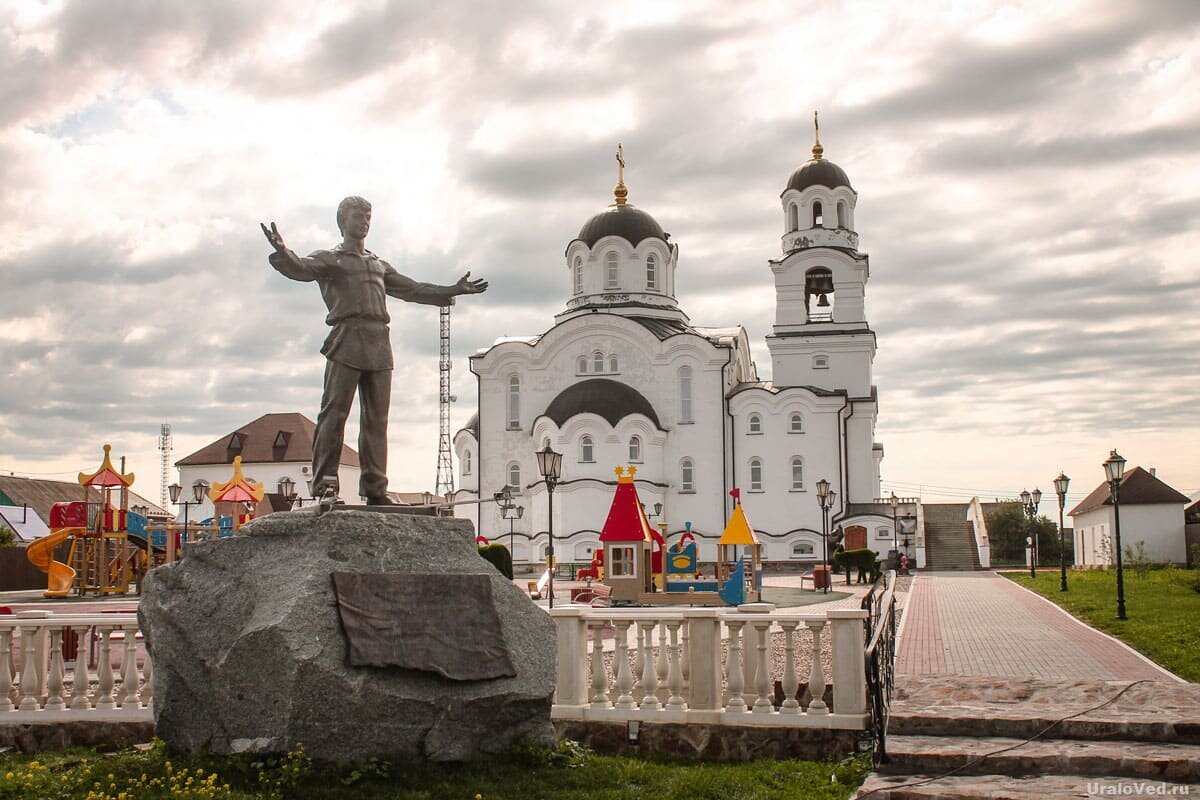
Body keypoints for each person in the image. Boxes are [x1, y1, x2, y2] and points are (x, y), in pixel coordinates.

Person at [262, 196, 487, 505]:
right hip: (347, 336)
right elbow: (301, 268)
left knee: (376, 419)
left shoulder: (376, 263)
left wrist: (452, 290)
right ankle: (326, 485)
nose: (364, 221)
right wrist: (284, 252)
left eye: (368, 216)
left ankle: (375, 488)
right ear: (343, 221)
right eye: (358, 216)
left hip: (379, 340)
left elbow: (413, 289)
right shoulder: (331, 259)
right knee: (334, 413)